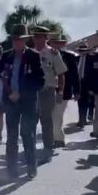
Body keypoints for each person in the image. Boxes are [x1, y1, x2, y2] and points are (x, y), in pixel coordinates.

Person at [0, 24, 44, 179]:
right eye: (14, 40)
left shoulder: (34, 56)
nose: (16, 42)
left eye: (20, 40)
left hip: (28, 101)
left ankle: (31, 166)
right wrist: (9, 92)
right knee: (11, 135)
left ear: (25, 41)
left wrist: (21, 93)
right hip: (10, 101)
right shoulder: (6, 56)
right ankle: (11, 168)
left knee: (27, 134)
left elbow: (40, 81)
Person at [31, 26, 67, 163]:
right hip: (31, 93)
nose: (38, 39)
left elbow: (61, 74)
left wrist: (61, 92)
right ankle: (31, 150)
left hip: (47, 91)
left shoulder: (53, 53)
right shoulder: (29, 53)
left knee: (46, 121)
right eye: (35, 36)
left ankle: (47, 149)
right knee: (31, 121)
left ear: (46, 38)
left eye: (41, 36)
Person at [50, 34, 80, 148]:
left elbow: (75, 75)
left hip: (64, 91)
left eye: (59, 42)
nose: (56, 45)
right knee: (53, 116)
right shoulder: (45, 55)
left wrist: (77, 91)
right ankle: (54, 137)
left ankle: (59, 139)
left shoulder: (69, 56)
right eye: (54, 42)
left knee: (57, 115)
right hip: (48, 91)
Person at [76, 43, 92, 128]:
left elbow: (93, 74)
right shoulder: (77, 59)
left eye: (84, 50)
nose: (82, 52)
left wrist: (91, 87)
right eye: (81, 50)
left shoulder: (91, 59)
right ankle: (80, 119)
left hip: (87, 83)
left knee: (86, 102)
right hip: (79, 83)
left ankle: (83, 120)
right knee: (79, 102)